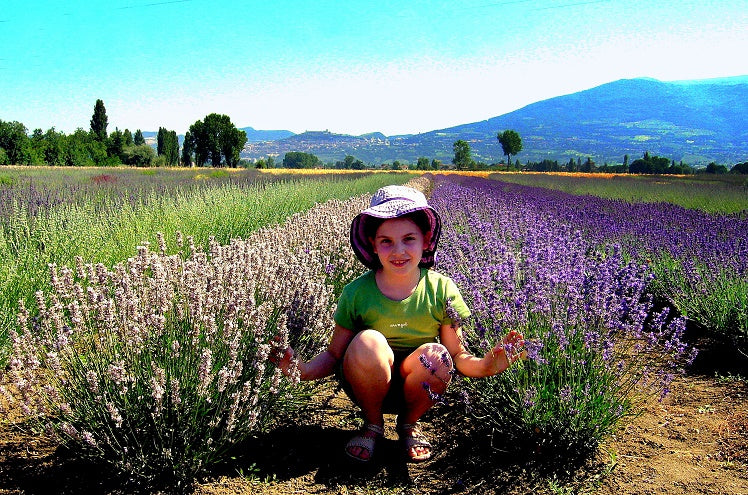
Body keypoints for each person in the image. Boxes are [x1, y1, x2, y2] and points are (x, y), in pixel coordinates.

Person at [273, 185, 525, 463]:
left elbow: (456, 354)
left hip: (417, 386)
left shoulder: (442, 288)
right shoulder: (356, 292)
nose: (398, 251)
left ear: (426, 240)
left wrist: (487, 365)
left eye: (408, 239)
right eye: (386, 241)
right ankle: (372, 425)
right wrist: (300, 370)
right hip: (366, 384)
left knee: (438, 356)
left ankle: (408, 424)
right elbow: (334, 355)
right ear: (372, 244)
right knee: (369, 341)